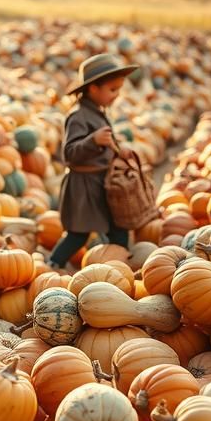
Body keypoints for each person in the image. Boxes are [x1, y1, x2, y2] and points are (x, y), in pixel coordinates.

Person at [48, 53, 138, 271]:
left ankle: (118, 266)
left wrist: (119, 151)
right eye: (112, 89)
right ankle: (52, 264)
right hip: (84, 186)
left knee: (118, 227)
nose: (116, 95)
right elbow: (69, 153)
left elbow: (105, 143)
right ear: (93, 89)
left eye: (119, 89)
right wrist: (92, 140)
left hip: (101, 183)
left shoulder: (97, 112)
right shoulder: (78, 116)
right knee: (78, 234)